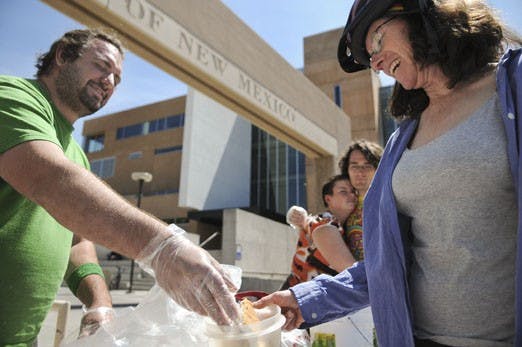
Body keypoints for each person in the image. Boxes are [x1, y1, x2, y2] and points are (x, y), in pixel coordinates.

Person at [254, 1, 522, 346]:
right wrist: (306, 300)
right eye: (370, 59)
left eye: (377, 42)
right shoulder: (402, 139)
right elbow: (386, 264)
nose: (376, 63)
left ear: (420, 14)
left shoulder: (512, 88)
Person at [0, 29, 239, 346]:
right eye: (102, 66)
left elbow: (76, 241)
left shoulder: (76, 155)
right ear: (62, 56)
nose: (109, 81)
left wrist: (99, 302)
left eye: (117, 78)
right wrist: (161, 248)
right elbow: (50, 178)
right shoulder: (12, 95)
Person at [281, 175, 358, 289]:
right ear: (328, 199)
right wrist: (302, 218)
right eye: (343, 191)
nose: (352, 195)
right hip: (296, 296)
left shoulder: (345, 227)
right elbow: (310, 222)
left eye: (353, 191)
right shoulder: (323, 221)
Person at [338, 139, 383, 260]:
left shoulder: (389, 201)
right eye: (354, 166)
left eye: (367, 166)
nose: (360, 172)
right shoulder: (346, 203)